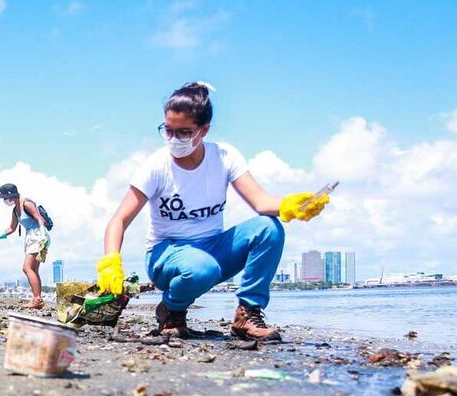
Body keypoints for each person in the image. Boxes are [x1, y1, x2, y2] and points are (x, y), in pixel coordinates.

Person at [98, 82, 329, 340]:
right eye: (168, 131)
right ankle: (172, 310)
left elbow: (261, 203)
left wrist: (292, 206)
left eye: (184, 132)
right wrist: (110, 262)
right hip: (168, 252)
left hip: (214, 247)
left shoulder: (224, 157)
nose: (174, 140)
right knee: (200, 268)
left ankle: (247, 313)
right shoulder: (155, 167)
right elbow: (118, 219)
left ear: (204, 129)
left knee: (269, 228)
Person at [0, 183, 51, 309]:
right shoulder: (15, 210)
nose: (4, 200)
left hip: (38, 236)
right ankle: (37, 299)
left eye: (5, 197)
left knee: (26, 268)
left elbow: (39, 219)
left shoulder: (26, 203)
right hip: (31, 237)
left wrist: (42, 237)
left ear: (10, 196)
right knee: (34, 269)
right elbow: (11, 228)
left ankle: (37, 299)